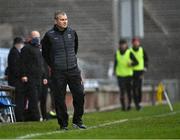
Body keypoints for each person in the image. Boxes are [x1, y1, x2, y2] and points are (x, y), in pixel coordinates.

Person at [41, 11, 86, 130]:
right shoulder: (49, 35)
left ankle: (77, 121)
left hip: (73, 70)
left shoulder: (72, 32)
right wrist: (54, 65)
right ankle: (63, 124)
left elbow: (74, 49)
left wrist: (71, 62)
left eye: (66, 19)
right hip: (58, 72)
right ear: (56, 21)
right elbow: (45, 53)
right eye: (62, 19)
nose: (65, 21)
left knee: (80, 94)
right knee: (59, 99)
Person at [20, 31, 45, 121]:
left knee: (38, 97)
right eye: (35, 36)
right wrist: (24, 75)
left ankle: (29, 116)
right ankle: (36, 117)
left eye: (38, 36)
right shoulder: (26, 48)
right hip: (30, 78)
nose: (37, 38)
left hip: (38, 78)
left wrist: (43, 76)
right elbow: (22, 63)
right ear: (30, 37)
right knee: (33, 98)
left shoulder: (38, 49)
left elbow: (40, 64)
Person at [114, 39, 138, 111]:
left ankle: (129, 105)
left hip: (128, 75)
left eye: (124, 44)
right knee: (122, 91)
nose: (123, 46)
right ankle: (123, 106)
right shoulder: (117, 53)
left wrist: (131, 64)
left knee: (128, 91)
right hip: (120, 75)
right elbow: (115, 63)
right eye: (121, 44)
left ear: (126, 45)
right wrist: (114, 71)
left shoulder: (129, 53)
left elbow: (136, 62)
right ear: (119, 45)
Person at [7, 37, 25, 121]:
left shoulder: (14, 52)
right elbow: (15, 68)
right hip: (16, 81)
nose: (22, 45)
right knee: (18, 100)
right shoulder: (14, 53)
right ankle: (19, 117)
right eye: (22, 43)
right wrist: (22, 76)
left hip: (15, 81)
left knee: (19, 100)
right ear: (17, 44)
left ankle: (19, 117)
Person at [130, 38, 148, 110]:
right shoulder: (130, 51)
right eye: (134, 42)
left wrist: (145, 69)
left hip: (140, 72)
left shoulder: (142, 50)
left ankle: (139, 102)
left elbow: (146, 60)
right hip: (131, 72)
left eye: (137, 42)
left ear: (139, 43)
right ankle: (136, 103)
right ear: (132, 43)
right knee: (134, 88)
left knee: (139, 87)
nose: (136, 43)